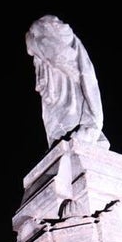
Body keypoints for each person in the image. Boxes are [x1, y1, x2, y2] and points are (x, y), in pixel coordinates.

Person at [25, 14, 110, 149]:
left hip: (70, 105)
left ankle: (74, 137)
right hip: (60, 100)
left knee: (65, 121)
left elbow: (84, 75)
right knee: (60, 123)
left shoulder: (39, 39)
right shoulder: (67, 42)